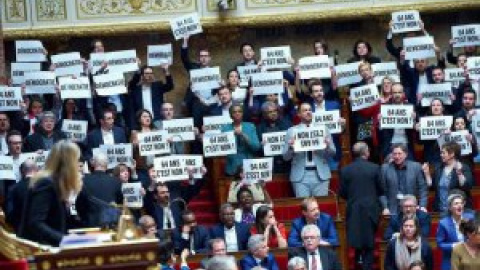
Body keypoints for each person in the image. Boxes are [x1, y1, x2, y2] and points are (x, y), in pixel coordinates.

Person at [19, 141, 91, 246]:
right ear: (68, 163)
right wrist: (64, 240)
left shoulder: (56, 182)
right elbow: (36, 223)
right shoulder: (46, 183)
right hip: (39, 250)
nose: (78, 165)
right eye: (76, 160)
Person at [339, 142, 382, 270]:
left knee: (357, 239)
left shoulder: (345, 170)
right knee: (369, 242)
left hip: (354, 209)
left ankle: (359, 262)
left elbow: (342, 193)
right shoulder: (374, 168)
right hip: (371, 209)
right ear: (366, 153)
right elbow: (381, 189)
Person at [283, 102, 336, 197]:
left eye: (310, 110)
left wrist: (327, 146)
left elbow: (333, 152)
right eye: (305, 110)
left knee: (320, 205)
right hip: (300, 176)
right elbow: (285, 157)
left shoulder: (323, 129)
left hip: (320, 174)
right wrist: (291, 147)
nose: (308, 112)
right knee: (304, 206)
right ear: (298, 114)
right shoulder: (292, 131)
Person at [423, 142, 473, 214]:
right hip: (441, 209)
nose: (441, 155)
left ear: (452, 154)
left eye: (443, 153)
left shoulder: (464, 167)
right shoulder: (439, 168)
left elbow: (467, 186)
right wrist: (427, 173)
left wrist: (459, 173)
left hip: (459, 211)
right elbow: (432, 186)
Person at [380, 143, 428, 215]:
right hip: (392, 209)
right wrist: (385, 207)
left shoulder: (416, 167)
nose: (397, 156)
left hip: (411, 208)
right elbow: (382, 191)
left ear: (406, 154)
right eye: (395, 154)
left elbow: (422, 188)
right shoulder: (385, 168)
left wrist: (422, 205)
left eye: (400, 153)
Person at [436, 193, 476, 270]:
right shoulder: (443, 223)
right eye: (456, 203)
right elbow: (440, 244)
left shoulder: (470, 218)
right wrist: (454, 245)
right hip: (451, 259)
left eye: (461, 203)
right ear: (450, 208)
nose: (459, 205)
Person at [221, 103, 261, 176]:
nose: (237, 114)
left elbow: (256, 147)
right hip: (232, 167)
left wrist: (244, 136)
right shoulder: (225, 128)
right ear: (230, 115)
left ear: (243, 113)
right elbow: (222, 149)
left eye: (239, 111)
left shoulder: (250, 126)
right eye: (234, 112)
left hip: (248, 166)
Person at [5, 159, 38, 232]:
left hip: (21, 236)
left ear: (21, 172)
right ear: (36, 170)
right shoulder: (45, 186)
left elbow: (9, 216)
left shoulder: (12, 189)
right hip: (44, 237)